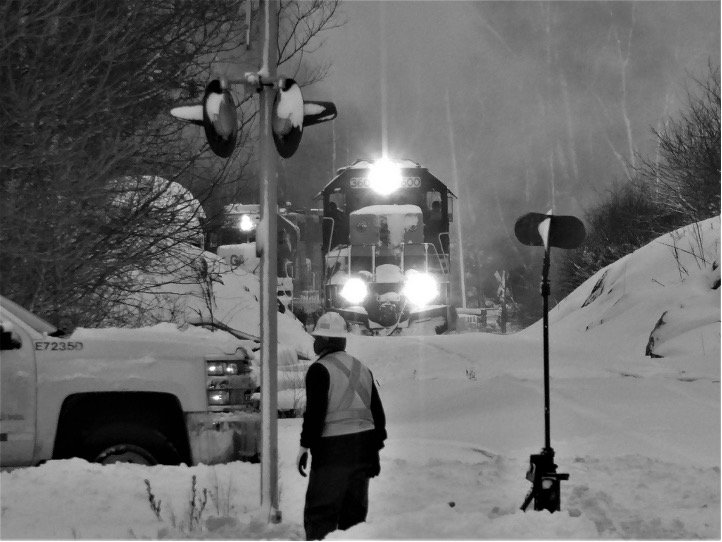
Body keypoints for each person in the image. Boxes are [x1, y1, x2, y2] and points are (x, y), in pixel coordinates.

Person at [297, 312, 387, 540]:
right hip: (364, 450)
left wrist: (304, 447)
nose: (314, 342)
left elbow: (315, 416)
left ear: (325, 341)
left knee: (321, 514)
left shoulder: (320, 369)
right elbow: (377, 414)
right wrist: (374, 451)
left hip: (332, 452)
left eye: (317, 337)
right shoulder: (362, 368)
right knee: (354, 517)